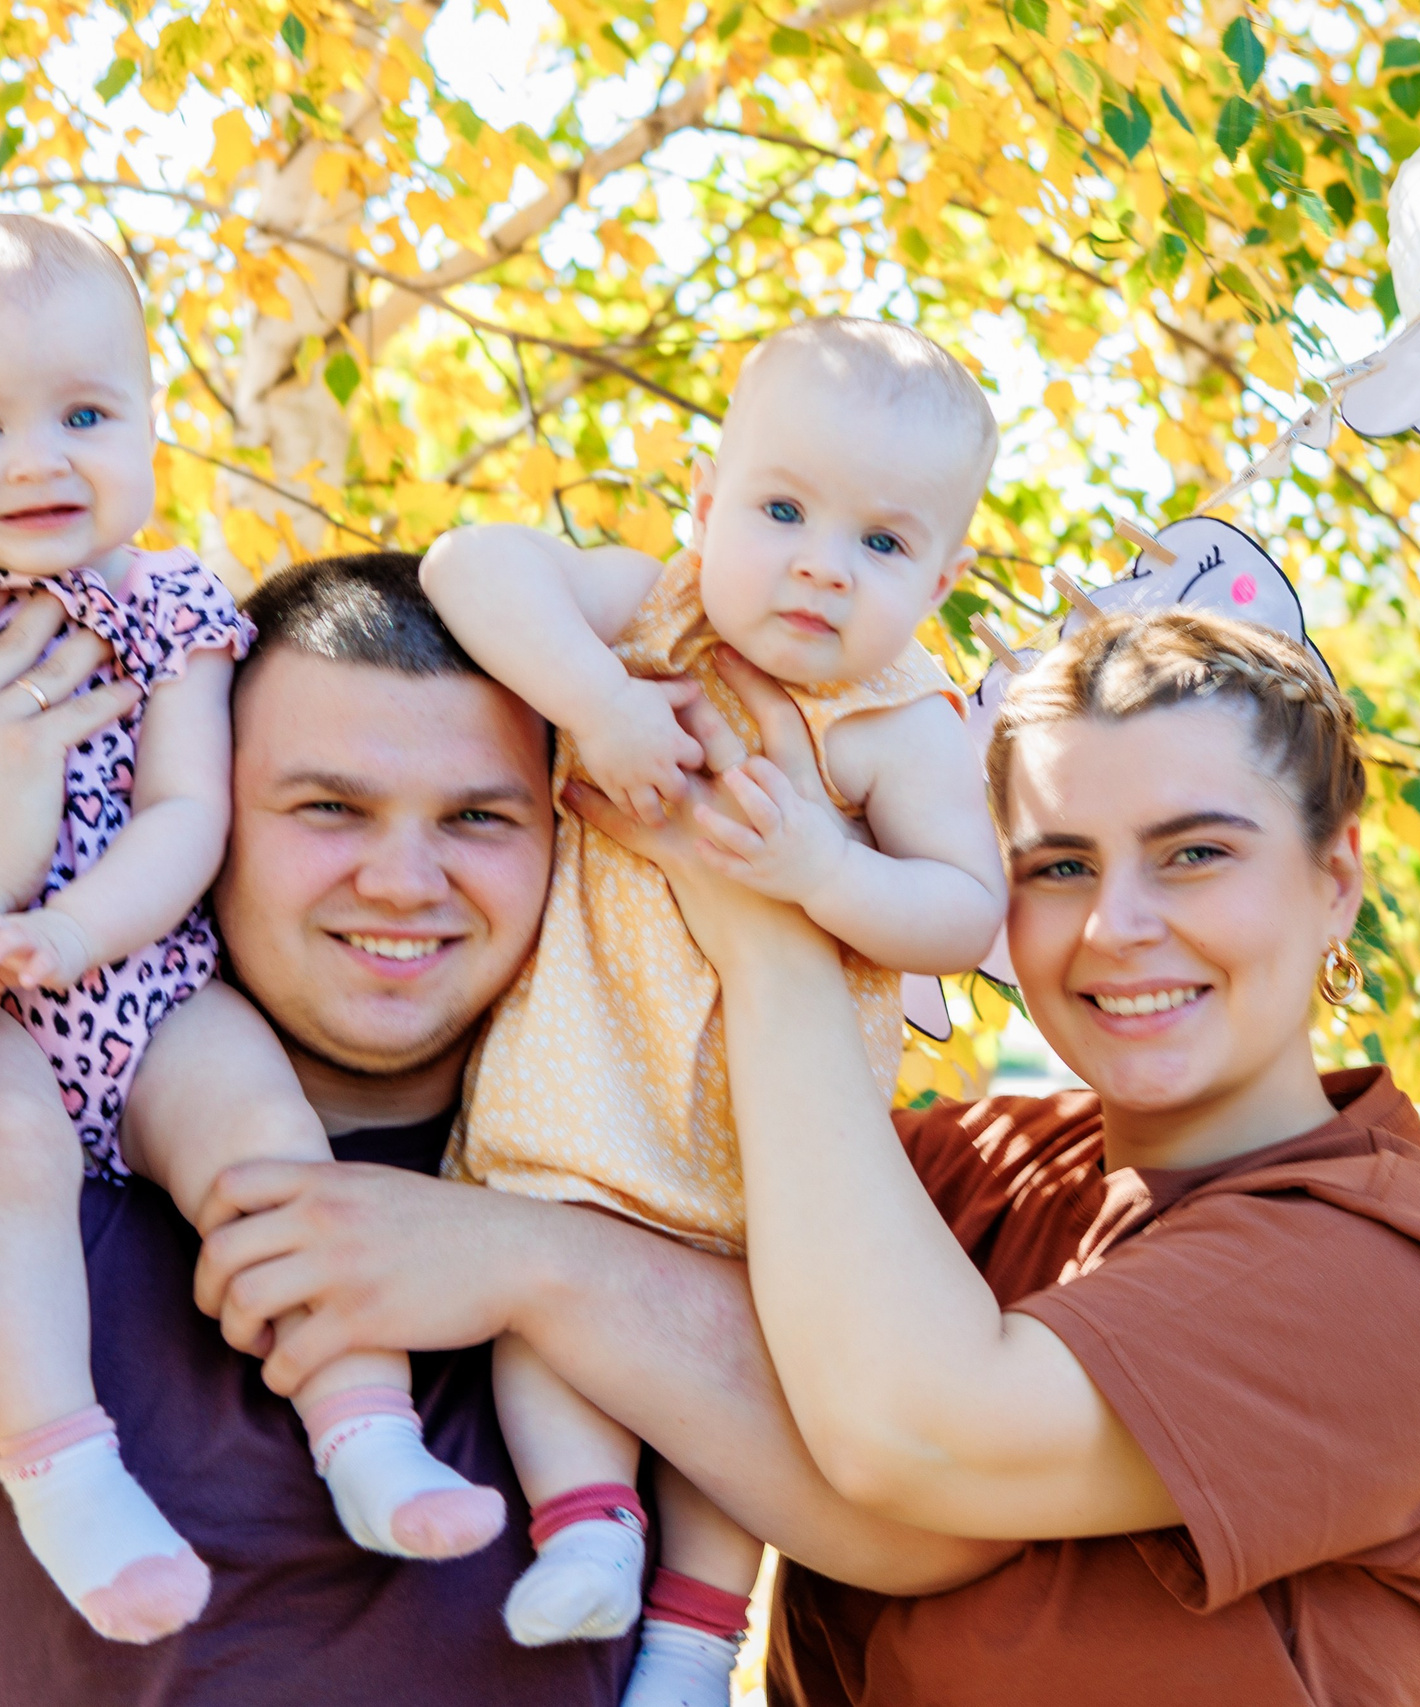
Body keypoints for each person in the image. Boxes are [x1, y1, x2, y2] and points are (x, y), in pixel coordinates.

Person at [0, 553, 1004, 1705]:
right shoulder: (5, 1165)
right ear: (198, 818)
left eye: (480, 819)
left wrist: (528, 1263)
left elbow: (930, 1520)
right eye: (327, 806)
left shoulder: (678, 1192)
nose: (404, 876)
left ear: (571, 833)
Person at [198, 612, 1420, 1702]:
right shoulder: (970, 1169)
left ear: (1336, 881)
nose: (1118, 926)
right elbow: (645, 1186)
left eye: (1195, 856)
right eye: (1058, 867)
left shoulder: (1395, 1271)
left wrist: (762, 933)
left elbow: (917, 1441)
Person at [0, 214, 497, 1649]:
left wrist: (84, 931)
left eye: (85, 413)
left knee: (266, 1148)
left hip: (143, 974)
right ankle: (69, 1476)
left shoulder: (179, 613)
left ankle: (369, 1431)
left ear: (152, 422)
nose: (39, 459)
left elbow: (185, 817)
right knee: (2, 1170)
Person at [416, 319, 1006, 1698]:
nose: (819, 563)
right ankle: (589, 1533)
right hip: (592, 1072)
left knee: (746, 1382)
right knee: (550, 1297)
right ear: (706, 505)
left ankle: (693, 1643)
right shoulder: (654, 612)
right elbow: (467, 563)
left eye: (881, 543)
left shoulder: (896, 723)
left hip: (771, 1135)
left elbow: (964, 912)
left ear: (944, 575)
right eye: (783, 510)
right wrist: (595, 699)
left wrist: (828, 868)